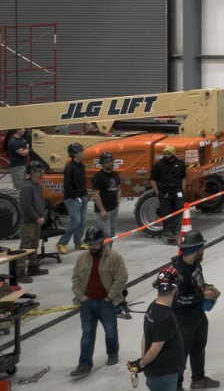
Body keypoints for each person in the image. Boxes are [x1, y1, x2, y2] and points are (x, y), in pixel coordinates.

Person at [71, 225, 128, 376]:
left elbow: (121, 278)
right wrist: (80, 296)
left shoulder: (114, 257)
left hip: (106, 303)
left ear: (102, 242)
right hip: (87, 304)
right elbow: (75, 278)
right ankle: (84, 365)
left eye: (95, 243)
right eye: (90, 244)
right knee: (87, 335)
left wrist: (110, 296)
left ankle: (113, 353)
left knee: (110, 332)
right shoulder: (82, 258)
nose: (92, 247)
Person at [169, 229, 221, 389]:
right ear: (196, 249)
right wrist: (202, 296)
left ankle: (198, 379)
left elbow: (198, 285)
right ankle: (176, 386)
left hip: (198, 315)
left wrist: (209, 288)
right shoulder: (177, 272)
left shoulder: (196, 265)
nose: (203, 250)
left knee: (199, 348)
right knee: (181, 354)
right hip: (183, 320)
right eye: (202, 248)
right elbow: (177, 301)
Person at [132, 267, 185, 391]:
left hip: (154, 371)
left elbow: (145, 335)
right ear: (175, 288)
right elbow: (156, 347)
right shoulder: (167, 317)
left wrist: (143, 358)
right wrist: (142, 363)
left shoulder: (152, 307)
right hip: (164, 373)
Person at [17, 161, 50, 283]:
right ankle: (20, 272)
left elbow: (41, 202)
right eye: (40, 170)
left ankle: (32, 266)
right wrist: (37, 217)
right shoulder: (27, 187)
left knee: (34, 245)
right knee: (25, 246)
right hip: (29, 222)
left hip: (37, 221)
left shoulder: (38, 185)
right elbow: (27, 206)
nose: (42, 172)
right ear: (32, 172)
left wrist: (42, 216)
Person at [151, 145, 187, 241]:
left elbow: (183, 177)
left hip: (177, 192)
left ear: (173, 154)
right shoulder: (158, 165)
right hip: (164, 193)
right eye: (165, 153)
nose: (166, 155)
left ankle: (169, 231)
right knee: (166, 213)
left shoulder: (180, 164)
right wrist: (158, 193)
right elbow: (153, 180)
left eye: (168, 153)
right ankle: (170, 234)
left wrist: (183, 191)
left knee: (179, 209)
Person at [61, 141, 89, 253]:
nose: (83, 152)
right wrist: (74, 196)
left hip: (82, 196)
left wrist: (85, 194)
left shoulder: (81, 166)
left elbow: (82, 182)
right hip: (72, 198)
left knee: (82, 221)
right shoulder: (69, 168)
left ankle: (78, 243)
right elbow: (67, 185)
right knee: (75, 221)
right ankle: (61, 243)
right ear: (74, 153)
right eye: (81, 150)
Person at [91, 151, 122, 237]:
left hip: (114, 208)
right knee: (105, 234)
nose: (110, 164)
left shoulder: (115, 174)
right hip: (104, 210)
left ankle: (109, 250)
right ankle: (104, 250)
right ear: (102, 164)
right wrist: (102, 211)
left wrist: (118, 201)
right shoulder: (98, 177)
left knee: (112, 233)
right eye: (107, 162)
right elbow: (96, 195)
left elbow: (119, 189)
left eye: (111, 161)